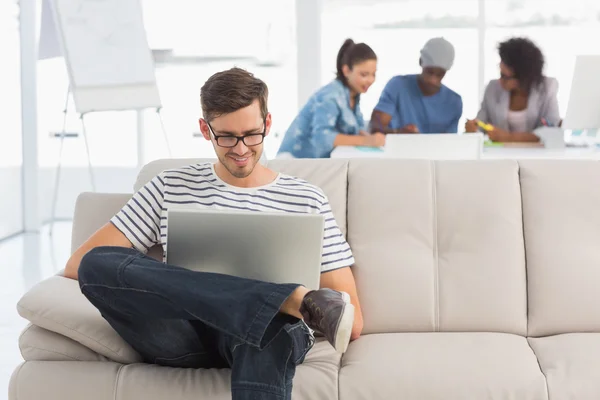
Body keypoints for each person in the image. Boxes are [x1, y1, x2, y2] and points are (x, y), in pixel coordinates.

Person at [65, 67, 363, 400]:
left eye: (251, 134)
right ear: (205, 130)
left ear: (267, 124)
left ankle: (272, 306)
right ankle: (283, 298)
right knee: (97, 263)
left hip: (269, 333)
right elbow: (79, 265)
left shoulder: (306, 198)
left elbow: (353, 320)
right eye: (226, 137)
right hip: (182, 333)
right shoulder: (170, 185)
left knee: (268, 328)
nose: (240, 148)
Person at [277, 39, 385, 158]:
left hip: (321, 163)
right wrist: (367, 141)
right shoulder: (330, 95)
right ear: (346, 71)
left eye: (373, 74)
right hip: (294, 163)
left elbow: (354, 130)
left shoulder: (353, 95)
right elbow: (322, 138)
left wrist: (371, 138)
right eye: (364, 75)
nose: (370, 80)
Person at [465, 37, 560, 142]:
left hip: (537, 155)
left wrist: (509, 138)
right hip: (499, 154)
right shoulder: (492, 88)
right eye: (500, 74)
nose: (501, 81)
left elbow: (552, 130)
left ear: (524, 77)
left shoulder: (547, 87)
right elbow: (481, 124)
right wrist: (473, 129)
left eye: (506, 77)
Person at [371, 37, 462, 134]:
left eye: (439, 75)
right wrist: (399, 133)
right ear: (420, 62)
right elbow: (376, 128)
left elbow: (450, 142)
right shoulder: (397, 86)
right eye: (429, 72)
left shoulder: (453, 102)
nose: (433, 80)